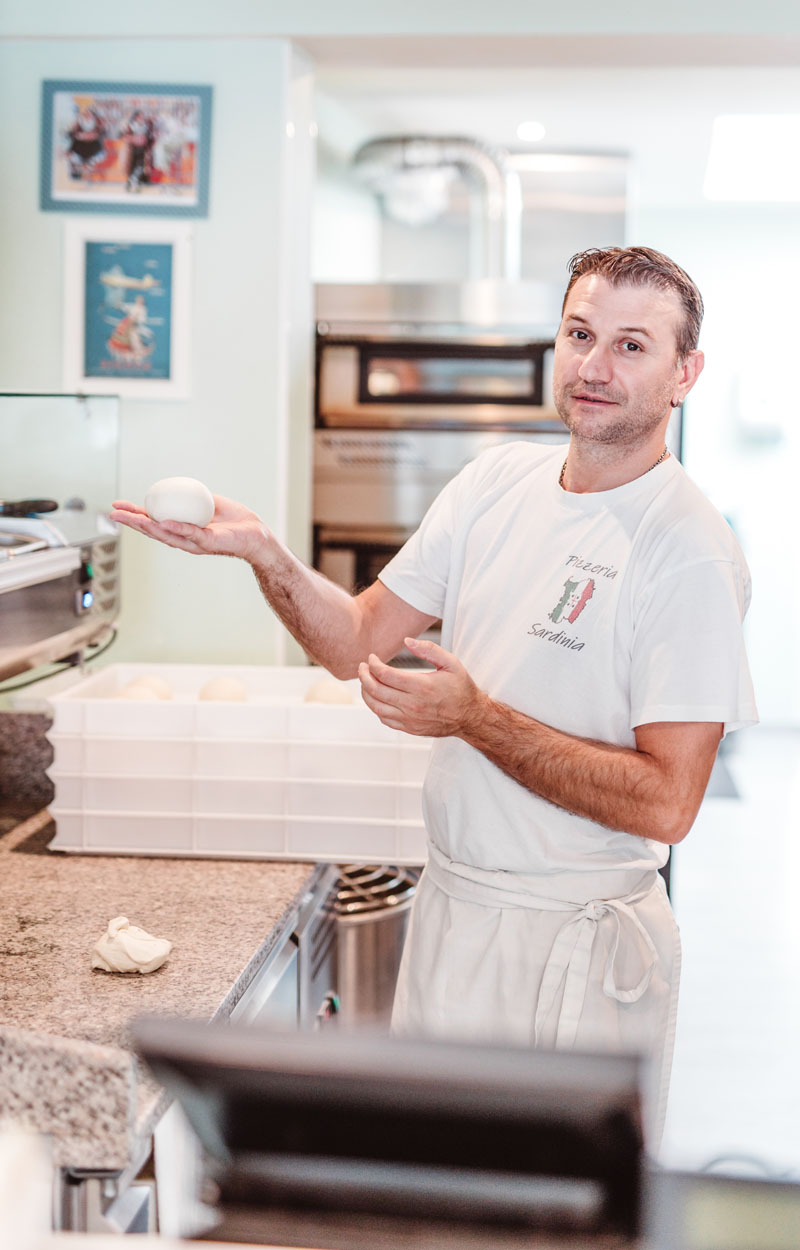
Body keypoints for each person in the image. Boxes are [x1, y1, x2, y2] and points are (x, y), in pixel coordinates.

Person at [111, 246, 757, 1146]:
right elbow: (353, 641)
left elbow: (668, 800)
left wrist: (474, 719)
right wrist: (265, 554)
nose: (595, 366)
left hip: (568, 949)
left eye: (632, 345)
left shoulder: (684, 547)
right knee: (432, 1201)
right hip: (451, 910)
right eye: (579, 334)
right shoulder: (496, 484)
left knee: (537, 1223)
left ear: (684, 373)